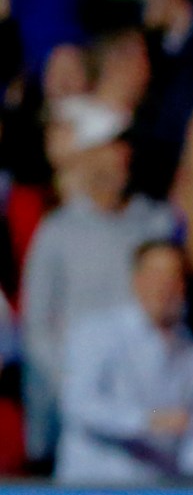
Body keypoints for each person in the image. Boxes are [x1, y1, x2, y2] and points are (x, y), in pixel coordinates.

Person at [20, 99, 179, 465]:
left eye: (124, 146)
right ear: (88, 156)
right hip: (76, 416)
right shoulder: (57, 231)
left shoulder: (154, 224)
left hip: (147, 407)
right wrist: (73, 383)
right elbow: (37, 325)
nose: (119, 157)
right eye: (109, 147)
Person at [55, 242, 193, 484]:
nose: (164, 286)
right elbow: (78, 404)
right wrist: (148, 421)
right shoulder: (96, 332)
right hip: (91, 491)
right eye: (155, 274)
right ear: (136, 279)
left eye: (173, 276)